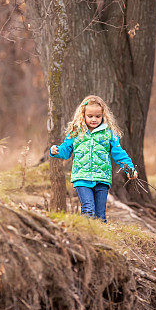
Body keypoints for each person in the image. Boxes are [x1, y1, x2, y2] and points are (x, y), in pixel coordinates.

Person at [49, 95, 137, 223]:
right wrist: (56, 151)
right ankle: (86, 235)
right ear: (83, 115)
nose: (94, 119)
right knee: (88, 210)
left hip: (102, 179)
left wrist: (130, 169)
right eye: (90, 116)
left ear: (103, 116)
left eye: (98, 116)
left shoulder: (108, 133)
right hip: (82, 178)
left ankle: (101, 238)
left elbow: (119, 154)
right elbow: (66, 151)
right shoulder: (76, 132)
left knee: (100, 215)